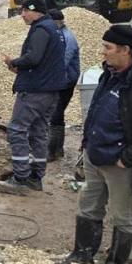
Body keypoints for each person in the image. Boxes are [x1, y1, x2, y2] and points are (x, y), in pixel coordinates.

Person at [61, 25, 132, 264]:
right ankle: (82, 256)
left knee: (123, 216)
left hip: (120, 163)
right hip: (96, 155)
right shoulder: (110, 73)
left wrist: (127, 159)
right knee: (89, 206)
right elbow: (97, 110)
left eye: (107, 47)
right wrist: (87, 145)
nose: (102, 52)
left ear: (125, 50)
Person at [0, 0, 67, 193]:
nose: (22, 15)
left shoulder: (41, 30)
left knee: (17, 130)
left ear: (37, 12)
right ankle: (36, 177)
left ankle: (20, 178)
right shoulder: (54, 29)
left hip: (35, 91)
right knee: (39, 132)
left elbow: (33, 58)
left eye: (26, 11)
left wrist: (14, 62)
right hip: (50, 91)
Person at [48, 9, 81, 161]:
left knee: (54, 115)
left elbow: (62, 63)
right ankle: (58, 149)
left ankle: (51, 151)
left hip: (65, 81)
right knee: (58, 114)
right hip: (65, 80)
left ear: (58, 22)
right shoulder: (61, 35)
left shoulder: (66, 39)